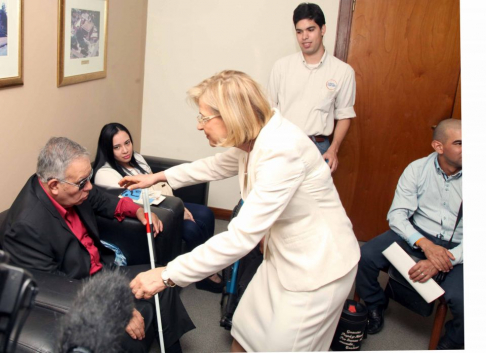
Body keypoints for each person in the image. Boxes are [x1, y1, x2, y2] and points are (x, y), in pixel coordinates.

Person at [120, 70, 360, 352]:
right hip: (282, 259)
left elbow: (238, 239)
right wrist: (156, 177)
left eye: (204, 118)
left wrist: (166, 275)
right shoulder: (255, 137)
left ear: (231, 116)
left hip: (316, 270)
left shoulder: (282, 150)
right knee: (244, 335)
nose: (200, 126)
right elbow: (214, 166)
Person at [0, 137, 194, 353]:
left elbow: (102, 200)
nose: (90, 187)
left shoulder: (69, 185)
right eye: (83, 183)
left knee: (159, 279)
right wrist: (116, 306)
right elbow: (52, 287)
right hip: (78, 285)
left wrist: (138, 210)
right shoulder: (26, 226)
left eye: (89, 178)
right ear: (54, 186)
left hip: (102, 268)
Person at [355, 119, 463, 350]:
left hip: (459, 244)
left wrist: (444, 259)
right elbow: (397, 216)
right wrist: (425, 244)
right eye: (460, 143)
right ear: (438, 146)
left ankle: (449, 345)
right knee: (365, 256)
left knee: (467, 302)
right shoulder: (417, 169)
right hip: (419, 233)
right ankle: (375, 304)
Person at [92, 122, 223, 293]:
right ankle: (205, 274)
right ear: (107, 150)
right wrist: (176, 209)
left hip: (166, 202)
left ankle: (206, 268)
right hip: (154, 210)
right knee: (191, 229)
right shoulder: (105, 174)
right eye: (117, 147)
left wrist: (179, 206)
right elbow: (132, 201)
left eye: (127, 143)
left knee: (206, 214)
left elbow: (157, 186)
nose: (125, 150)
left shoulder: (137, 158)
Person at [267, 2, 356, 173]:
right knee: (278, 198)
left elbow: (344, 115)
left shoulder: (343, 71)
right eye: (299, 32)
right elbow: (270, 110)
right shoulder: (281, 67)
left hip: (318, 148)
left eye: (310, 29)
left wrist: (333, 149)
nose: (304, 37)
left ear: (323, 30)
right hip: (283, 145)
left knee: (312, 199)